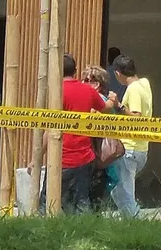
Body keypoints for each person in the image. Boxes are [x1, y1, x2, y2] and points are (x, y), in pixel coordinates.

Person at [58, 53, 109, 213]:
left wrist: (36, 157)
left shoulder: (56, 92)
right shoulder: (88, 92)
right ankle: (85, 232)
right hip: (86, 157)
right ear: (75, 70)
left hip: (62, 156)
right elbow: (105, 108)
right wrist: (114, 103)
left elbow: (49, 128)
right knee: (82, 201)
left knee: (52, 201)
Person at [108, 55, 152, 218]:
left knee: (123, 193)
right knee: (122, 191)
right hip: (140, 147)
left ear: (118, 73)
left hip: (130, 148)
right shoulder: (144, 84)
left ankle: (135, 222)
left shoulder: (133, 89)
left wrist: (118, 105)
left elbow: (136, 117)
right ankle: (131, 220)